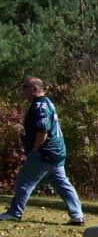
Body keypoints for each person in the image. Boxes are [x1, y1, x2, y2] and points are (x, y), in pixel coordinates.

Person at [1, 77, 84, 225]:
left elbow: (42, 130)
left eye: (25, 87)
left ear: (34, 89)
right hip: (57, 151)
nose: (22, 91)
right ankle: (77, 215)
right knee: (63, 184)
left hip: (45, 152)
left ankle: (14, 213)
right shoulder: (47, 103)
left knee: (23, 181)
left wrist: (35, 149)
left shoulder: (40, 105)